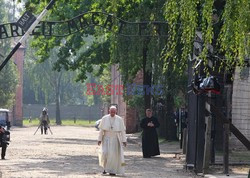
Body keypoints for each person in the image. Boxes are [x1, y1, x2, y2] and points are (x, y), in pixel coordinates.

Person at [97, 106, 127, 176]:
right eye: (111, 112)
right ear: (109, 111)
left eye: (114, 112)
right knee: (105, 153)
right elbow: (101, 130)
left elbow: (122, 131)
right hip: (106, 138)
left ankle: (112, 170)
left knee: (113, 155)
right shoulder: (104, 118)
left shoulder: (119, 119)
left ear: (116, 111)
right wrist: (99, 139)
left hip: (115, 138)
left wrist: (124, 140)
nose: (112, 113)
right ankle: (104, 168)